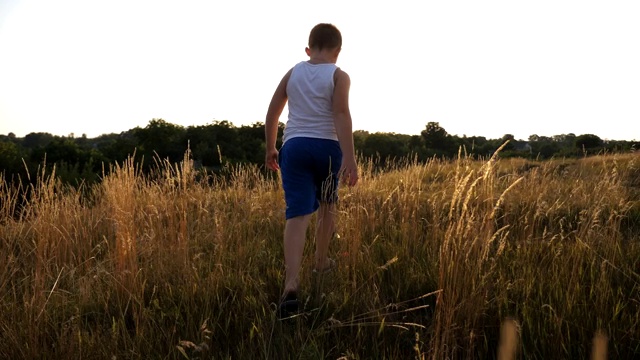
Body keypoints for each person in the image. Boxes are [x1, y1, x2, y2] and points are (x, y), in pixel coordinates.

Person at [264, 23, 358, 319]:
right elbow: (341, 113)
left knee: (297, 213)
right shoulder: (339, 75)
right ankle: (319, 261)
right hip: (327, 147)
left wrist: (270, 148)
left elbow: (273, 111)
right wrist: (350, 158)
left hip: (294, 147)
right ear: (338, 52)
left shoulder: (293, 72)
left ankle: (291, 285)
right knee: (328, 205)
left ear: (308, 49)